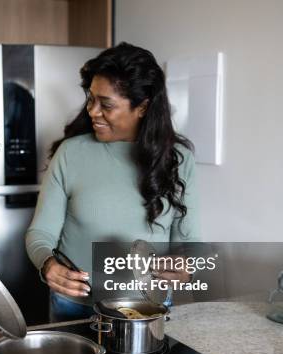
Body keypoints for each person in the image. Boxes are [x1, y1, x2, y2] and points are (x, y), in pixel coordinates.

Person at [25, 43, 201, 322]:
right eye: (91, 99)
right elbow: (41, 233)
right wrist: (48, 264)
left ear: (142, 107)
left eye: (105, 104)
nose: (93, 111)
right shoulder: (71, 152)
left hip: (147, 310)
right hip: (76, 306)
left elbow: (190, 243)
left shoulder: (179, 160)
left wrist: (185, 266)